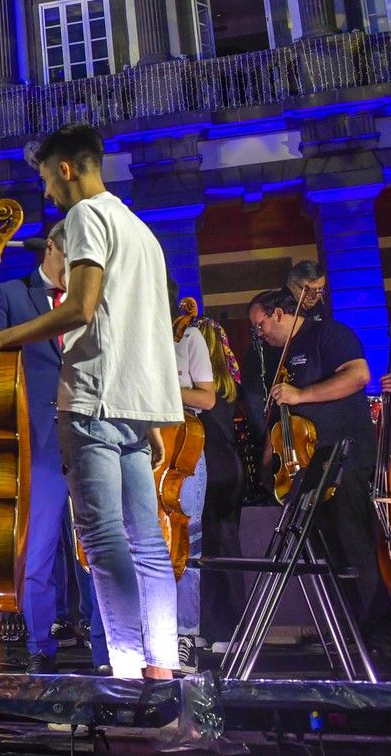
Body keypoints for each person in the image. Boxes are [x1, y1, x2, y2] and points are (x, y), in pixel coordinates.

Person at [0, 123, 182, 680]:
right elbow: (146, 327)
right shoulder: (141, 230)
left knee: (103, 540)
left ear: (65, 168)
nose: (48, 197)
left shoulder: (85, 217)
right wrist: (147, 412)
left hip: (92, 402)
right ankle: (161, 669)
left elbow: (80, 309)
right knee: (148, 544)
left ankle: (127, 674)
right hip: (133, 405)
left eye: (46, 182)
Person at [0, 221, 104, 673]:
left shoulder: (90, 298)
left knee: (100, 548)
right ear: (53, 248)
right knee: (38, 552)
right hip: (39, 439)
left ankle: (107, 651)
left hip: (91, 436)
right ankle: (40, 648)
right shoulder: (12, 295)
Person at [247, 288, 391, 654]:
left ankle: (377, 636)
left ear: (279, 312)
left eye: (260, 325)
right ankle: (345, 631)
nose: (259, 334)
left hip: (346, 461)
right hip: (309, 470)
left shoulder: (328, 334)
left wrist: (300, 395)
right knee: (328, 556)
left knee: (356, 549)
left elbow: (359, 375)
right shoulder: (281, 356)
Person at [166, 284, 217, 672]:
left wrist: (168, 387)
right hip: (146, 444)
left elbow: (207, 398)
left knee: (187, 541)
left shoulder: (191, 337)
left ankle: (185, 634)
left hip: (184, 445)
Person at [193, 316, 247, 656]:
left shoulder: (207, 386)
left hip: (216, 464)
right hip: (224, 462)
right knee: (209, 545)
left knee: (220, 546)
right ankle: (211, 624)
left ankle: (229, 626)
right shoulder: (227, 380)